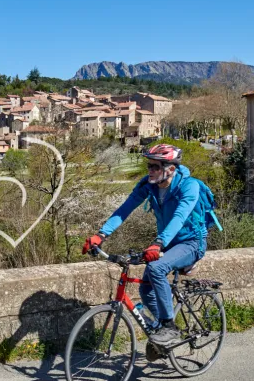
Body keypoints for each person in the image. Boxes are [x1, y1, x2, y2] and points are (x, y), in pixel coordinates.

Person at [83, 143, 207, 348]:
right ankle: (162, 332)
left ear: (171, 169)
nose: (150, 170)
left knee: (156, 268)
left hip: (191, 242)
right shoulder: (149, 185)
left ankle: (169, 328)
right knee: (146, 290)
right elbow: (125, 209)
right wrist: (101, 235)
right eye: (149, 166)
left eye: (155, 167)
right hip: (167, 244)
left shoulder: (189, 186)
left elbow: (179, 216)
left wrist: (158, 243)